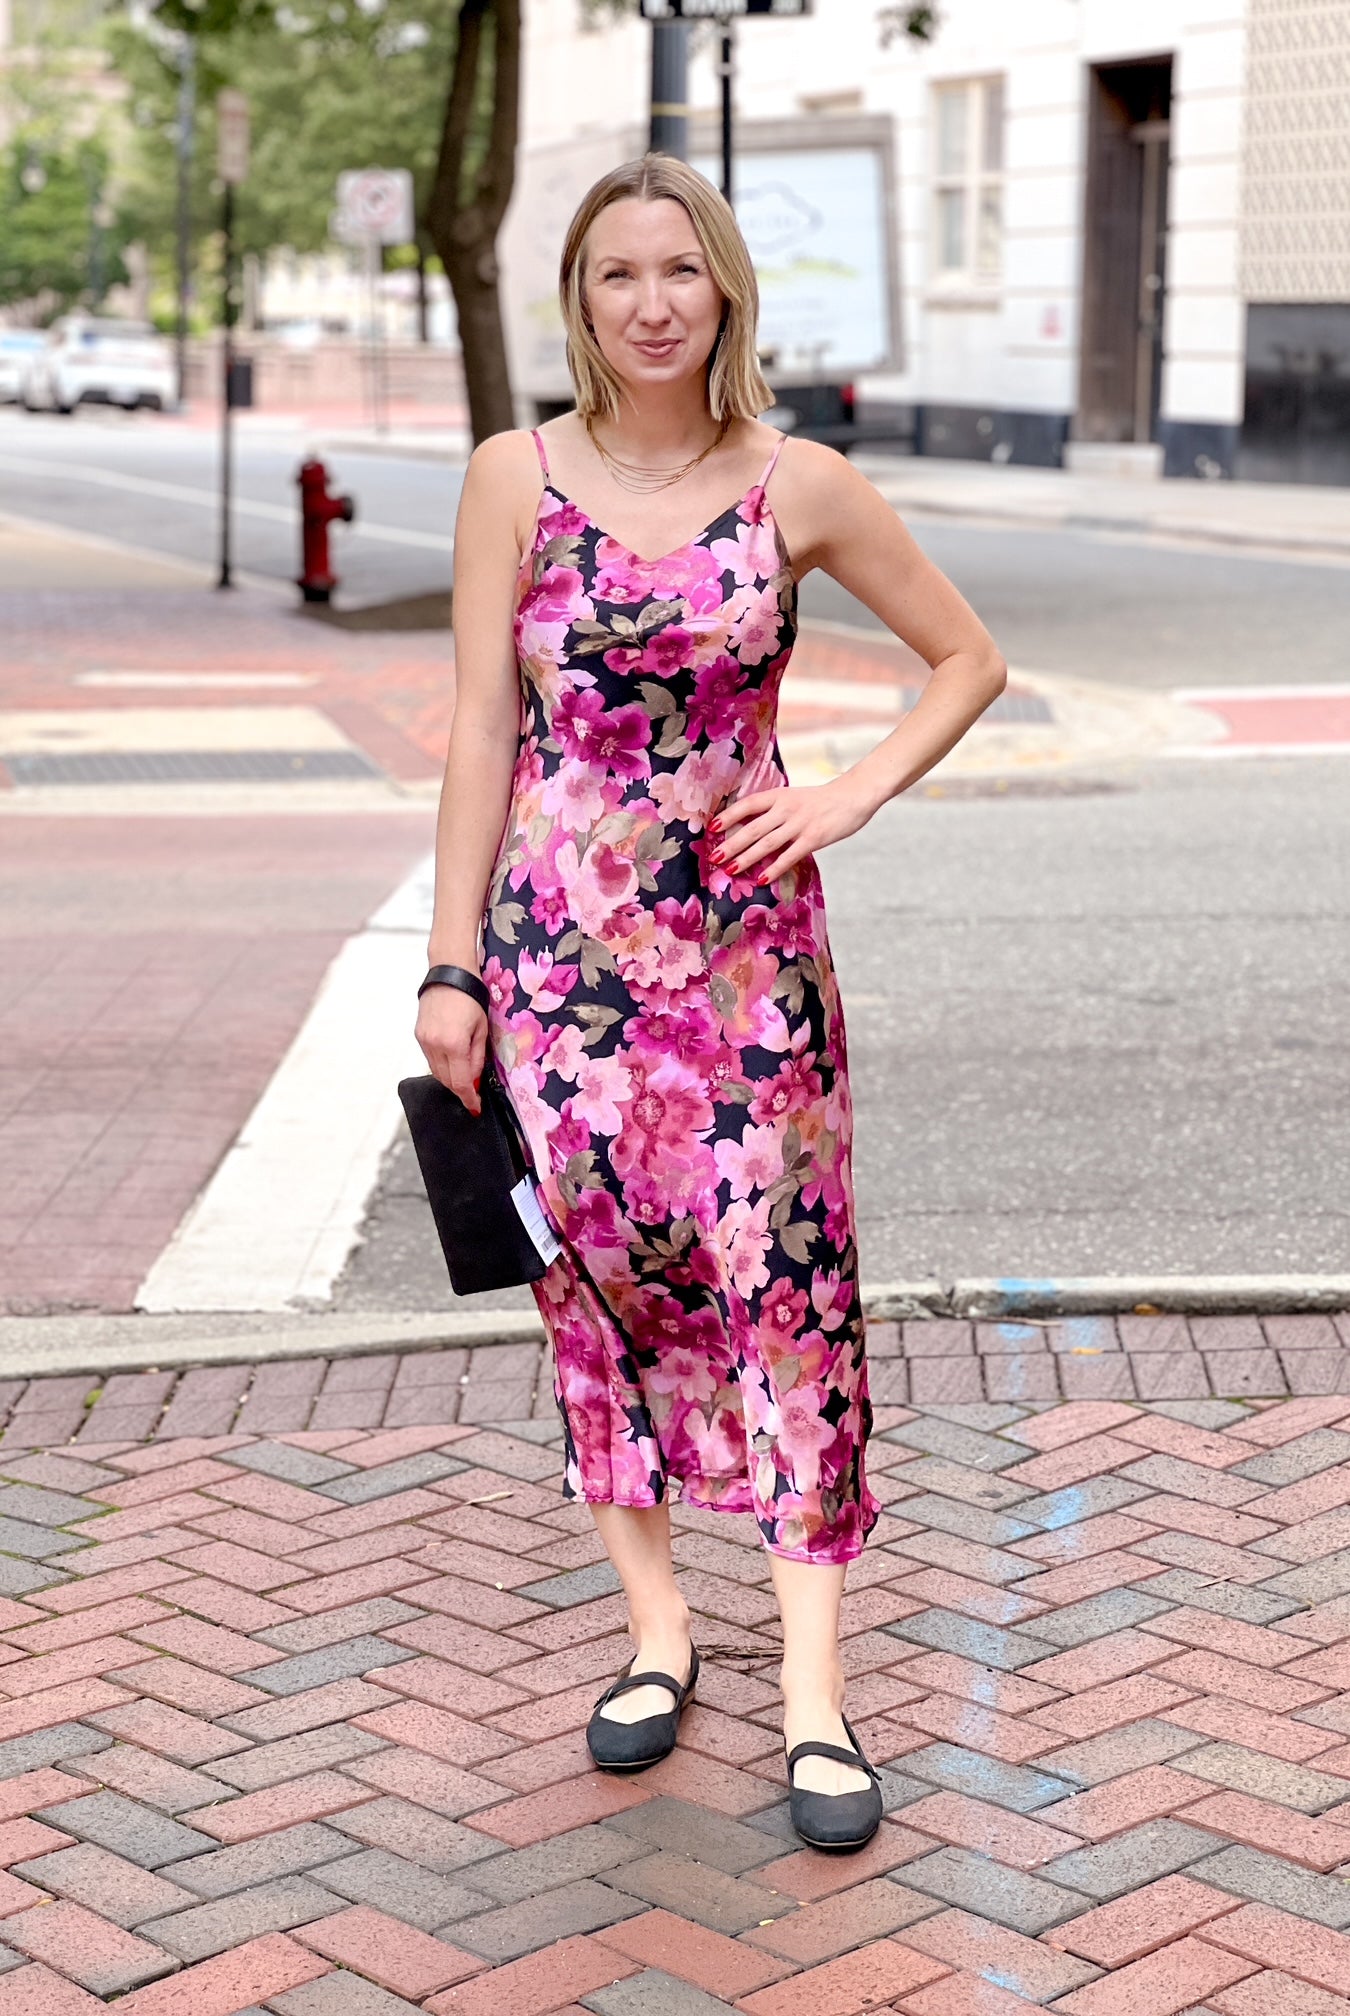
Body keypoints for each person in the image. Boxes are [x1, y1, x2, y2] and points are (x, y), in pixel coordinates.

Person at [416, 153, 1005, 1852]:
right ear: (579, 300)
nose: (651, 302)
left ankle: (813, 1694)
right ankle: (658, 1631)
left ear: (725, 290)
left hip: (748, 970)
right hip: (556, 967)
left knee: (783, 1287)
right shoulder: (512, 478)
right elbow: (482, 729)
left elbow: (966, 658)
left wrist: (847, 795)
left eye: (679, 270)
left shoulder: (794, 484)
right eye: (617, 274)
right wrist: (451, 965)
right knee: (597, 1289)